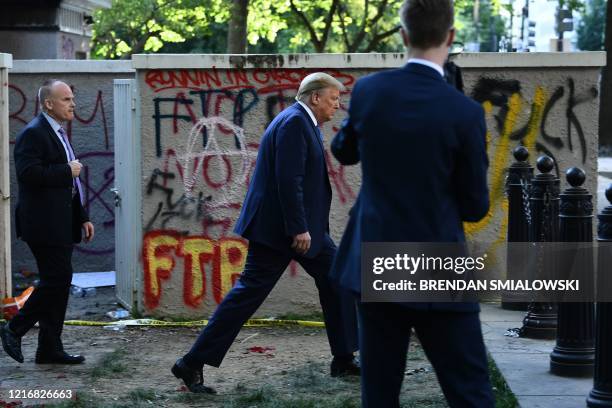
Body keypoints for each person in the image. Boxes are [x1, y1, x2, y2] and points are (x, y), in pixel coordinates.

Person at [330, 0, 495, 407]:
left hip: (376, 260)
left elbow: (343, 151)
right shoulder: (465, 112)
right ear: (451, 37)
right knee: (469, 389)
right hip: (437, 264)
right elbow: (475, 207)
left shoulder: (369, 91)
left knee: (380, 392)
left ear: (403, 35)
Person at [171, 72, 359, 393]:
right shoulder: (295, 123)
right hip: (282, 231)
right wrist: (298, 227)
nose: (337, 106)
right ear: (315, 97)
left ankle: (343, 358)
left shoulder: (299, 121)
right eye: (332, 99)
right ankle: (191, 363)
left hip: (297, 228)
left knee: (337, 279)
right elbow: (289, 180)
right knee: (247, 296)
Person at [1, 79, 94, 365]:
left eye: (72, 98)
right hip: (42, 224)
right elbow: (29, 174)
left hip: (61, 222)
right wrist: (66, 170)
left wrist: (82, 217)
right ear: (48, 104)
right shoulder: (34, 133)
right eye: (66, 99)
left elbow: (69, 186)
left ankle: (49, 349)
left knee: (59, 282)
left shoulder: (58, 133)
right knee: (57, 280)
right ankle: (14, 328)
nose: (73, 104)